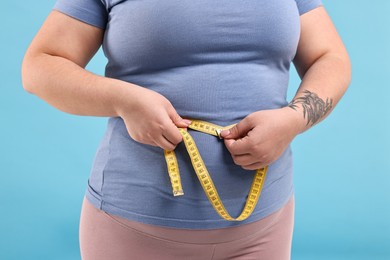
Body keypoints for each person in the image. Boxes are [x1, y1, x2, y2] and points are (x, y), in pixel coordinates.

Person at [21, 0, 351, 259]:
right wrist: (123, 99)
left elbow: (330, 57)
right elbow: (39, 66)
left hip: (263, 231)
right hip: (135, 230)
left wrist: (294, 119)